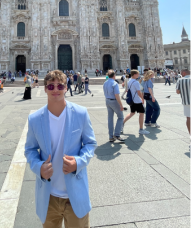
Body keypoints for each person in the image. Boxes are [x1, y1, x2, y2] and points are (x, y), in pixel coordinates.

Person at [25, 70, 97, 227]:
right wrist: (39, 168)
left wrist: (78, 162)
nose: (55, 90)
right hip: (48, 196)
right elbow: (30, 150)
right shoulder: (35, 119)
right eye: (50, 86)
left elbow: (90, 144)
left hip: (75, 196)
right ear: (45, 89)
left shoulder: (80, 113)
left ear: (66, 87)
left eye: (60, 86)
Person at [122, 70, 150, 135]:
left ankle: (121, 124)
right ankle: (141, 129)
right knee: (142, 113)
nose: (139, 75)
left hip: (132, 100)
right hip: (137, 101)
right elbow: (138, 92)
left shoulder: (129, 81)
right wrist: (142, 98)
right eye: (138, 74)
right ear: (134, 74)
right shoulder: (136, 82)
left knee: (132, 113)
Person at [103, 69, 125, 142]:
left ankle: (111, 136)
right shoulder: (114, 83)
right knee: (121, 117)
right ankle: (117, 134)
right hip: (114, 101)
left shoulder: (105, 83)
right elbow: (117, 95)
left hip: (107, 101)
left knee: (110, 119)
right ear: (114, 76)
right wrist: (121, 105)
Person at [176, 74, 191, 143]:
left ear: (183, 73)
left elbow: (177, 92)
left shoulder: (180, 80)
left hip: (186, 102)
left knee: (189, 118)